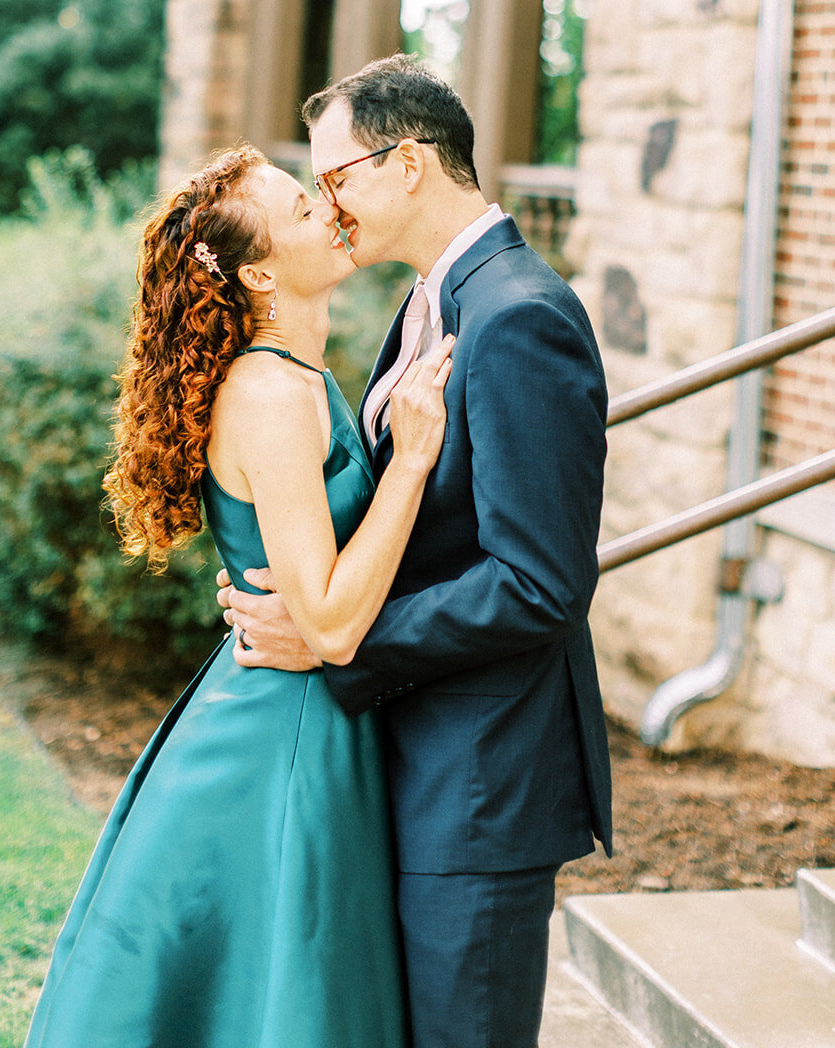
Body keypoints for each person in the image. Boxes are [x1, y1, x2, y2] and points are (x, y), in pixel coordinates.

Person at [218, 55, 612, 1048]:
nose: (327, 202)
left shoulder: (518, 315)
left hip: (480, 787)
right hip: (418, 762)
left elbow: (538, 583)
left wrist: (337, 640)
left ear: (405, 164)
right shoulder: (437, 300)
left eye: (336, 177)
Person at [25, 143, 453, 1048]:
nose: (328, 212)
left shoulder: (298, 376)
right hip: (282, 734)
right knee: (276, 989)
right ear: (261, 271)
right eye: (302, 210)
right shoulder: (267, 394)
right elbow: (332, 622)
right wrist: (411, 462)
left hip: (298, 714)